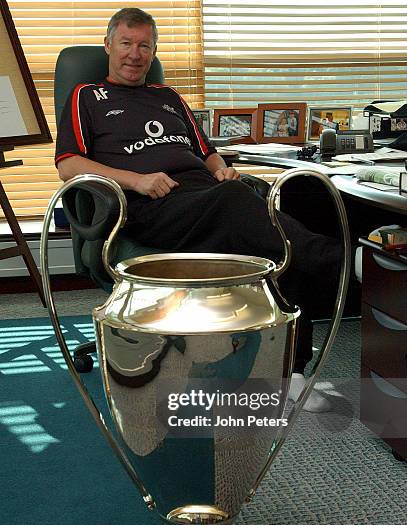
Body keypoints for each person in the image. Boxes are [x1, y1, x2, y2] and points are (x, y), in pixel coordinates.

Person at [55, 7, 343, 412]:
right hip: (148, 205)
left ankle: (291, 374)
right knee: (254, 217)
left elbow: (207, 153)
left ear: (153, 53)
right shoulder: (87, 96)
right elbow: (68, 163)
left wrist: (223, 170)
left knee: (270, 242)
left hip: (205, 198)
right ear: (108, 46)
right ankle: (345, 265)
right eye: (126, 44)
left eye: (144, 46)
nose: (135, 55)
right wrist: (137, 179)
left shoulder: (169, 97)